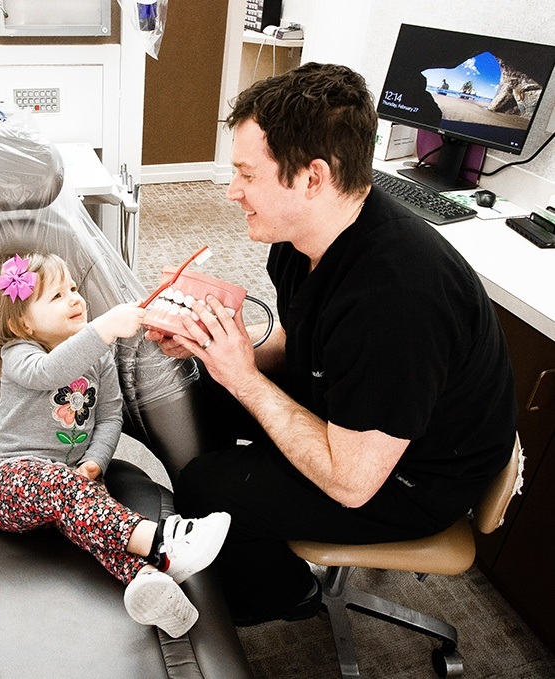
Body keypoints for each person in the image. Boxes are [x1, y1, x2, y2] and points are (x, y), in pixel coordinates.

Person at [145, 62, 517, 624]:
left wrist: (243, 376)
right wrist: (225, 348)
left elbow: (352, 482)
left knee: (210, 489)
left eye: (247, 175)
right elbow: (309, 343)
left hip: (412, 475)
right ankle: (237, 541)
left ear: (312, 177)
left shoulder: (395, 300)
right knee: (197, 392)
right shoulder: (303, 239)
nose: (231, 192)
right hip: (366, 424)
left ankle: (286, 595)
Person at [0, 252, 231, 637]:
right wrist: (104, 328)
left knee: (96, 519)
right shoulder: (20, 354)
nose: (75, 298)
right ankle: (162, 539)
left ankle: (147, 581)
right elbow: (49, 373)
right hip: (4, 480)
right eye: (56, 297)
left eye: (73, 289)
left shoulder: (100, 358)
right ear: (21, 323)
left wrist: (96, 462)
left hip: (68, 484)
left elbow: (109, 417)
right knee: (63, 488)